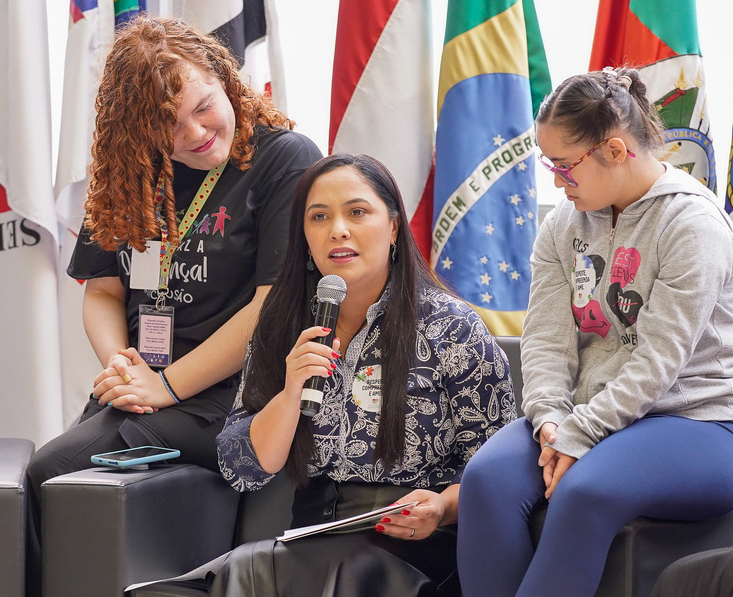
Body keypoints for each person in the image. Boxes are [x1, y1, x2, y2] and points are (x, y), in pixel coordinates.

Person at [456, 67, 733, 597]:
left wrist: (581, 436)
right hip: (585, 415)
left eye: (564, 166)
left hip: (698, 419)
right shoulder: (564, 223)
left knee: (583, 491)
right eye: (550, 164)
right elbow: (544, 340)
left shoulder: (691, 225)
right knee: (487, 481)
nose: (555, 181)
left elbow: (657, 363)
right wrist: (550, 422)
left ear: (615, 148)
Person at [26, 16, 321, 484]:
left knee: (48, 473)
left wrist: (166, 385)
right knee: (58, 484)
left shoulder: (285, 158)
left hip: (231, 397)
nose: (195, 133)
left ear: (223, 78)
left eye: (203, 107)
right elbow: (103, 290)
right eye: (169, 126)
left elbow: (273, 305)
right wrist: (120, 364)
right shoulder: (130, 172)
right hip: (143, 389)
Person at [209, 154, 515, 596]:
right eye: (319, 217)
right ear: (305, 237)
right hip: (311, 539)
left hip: (415, 548)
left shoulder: (451, 327)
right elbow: (243, 470)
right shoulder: (281, 324)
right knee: (232, 574)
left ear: (393, 227)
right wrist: (291, 391)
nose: (337, 229)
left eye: (357, 212)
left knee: (321, 575)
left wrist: (443, 507)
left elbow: (501, 470)